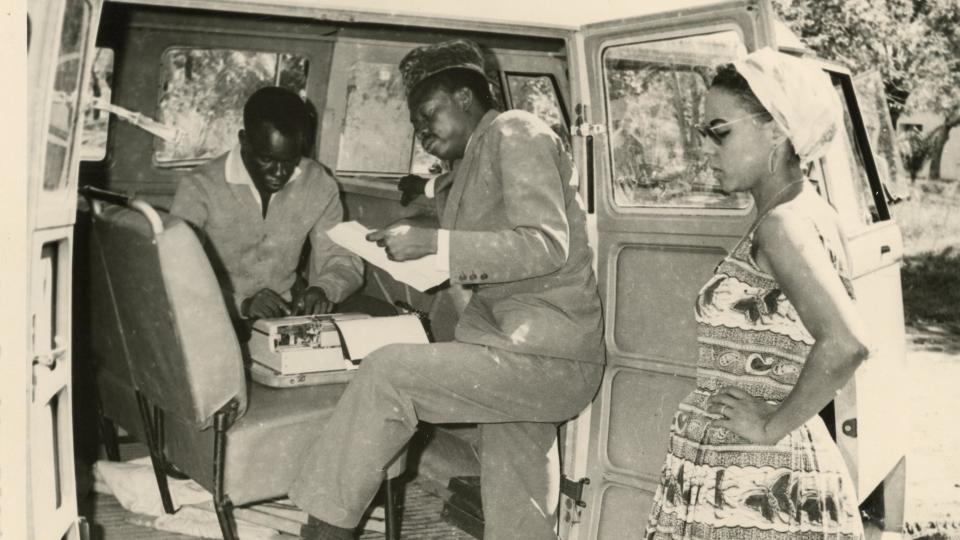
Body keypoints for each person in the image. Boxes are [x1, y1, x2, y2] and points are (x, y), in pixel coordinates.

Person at [289, 39, 604, 540]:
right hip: (515, 351)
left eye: (427, 115)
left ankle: (323, 534)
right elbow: (456, 204)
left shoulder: (516, 131)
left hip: (546, 356)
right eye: (415, 127)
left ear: (464, 96)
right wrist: (418, 218)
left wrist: (436, 245)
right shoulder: (474, 160)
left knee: (388, 371)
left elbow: (545, 244)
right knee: (519, 493)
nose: (422, 133)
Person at [644, 48, 872, 540]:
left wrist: (770, 426)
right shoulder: (811, 212)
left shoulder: (784, 225)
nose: (705, 148)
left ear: (777, 129)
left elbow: (847, 342)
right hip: (756, 463)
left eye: (719, 131)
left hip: (753, 476)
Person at [170, 86, 365, 324]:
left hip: (286, 312)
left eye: (290, 161)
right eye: (266, 159)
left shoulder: (318, 183)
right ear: (244, 140)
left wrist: (324, 289)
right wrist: (242, 302)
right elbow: (177, 274)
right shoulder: (199, 187)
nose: (279, 174)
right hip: (214, 312)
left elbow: (341, 257)